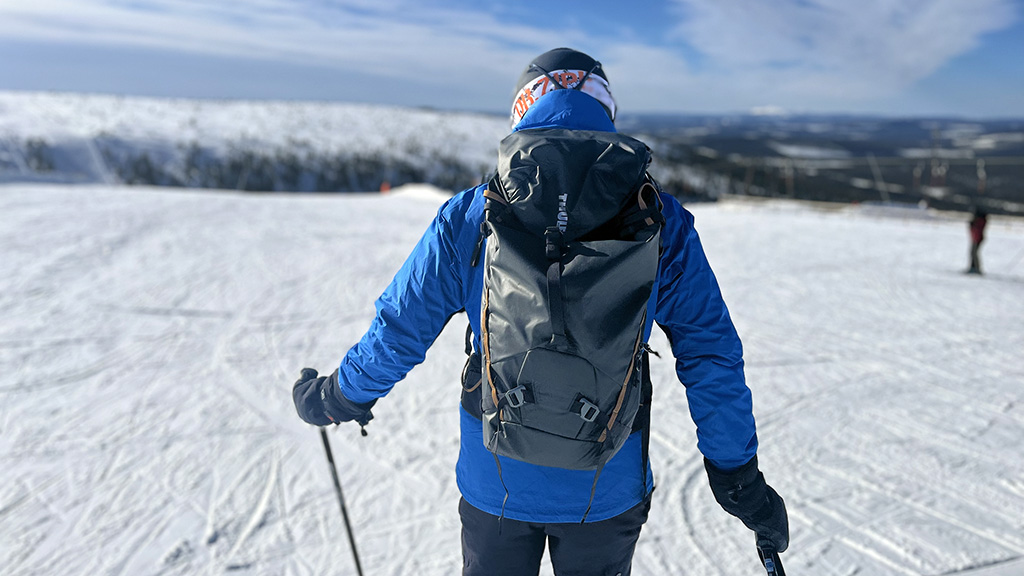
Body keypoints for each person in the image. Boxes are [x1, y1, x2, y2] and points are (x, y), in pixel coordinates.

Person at [292, 47, 789, 576]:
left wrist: (339, 396)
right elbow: (709, 352)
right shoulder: (659, 219)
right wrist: (736, 473)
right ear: (606, 111)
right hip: (608, 482)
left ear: (523, 109)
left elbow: (399, 329)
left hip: (496, 483)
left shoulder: (472, 213)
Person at [968, 207, 988, 274]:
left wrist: (972, 224)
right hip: (976, 238)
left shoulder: (980, 221)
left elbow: (977, 230)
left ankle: (976, 268)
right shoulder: (980, 221)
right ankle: (973, 267)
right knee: (973, 253)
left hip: (977, 238)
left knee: (974, 253)